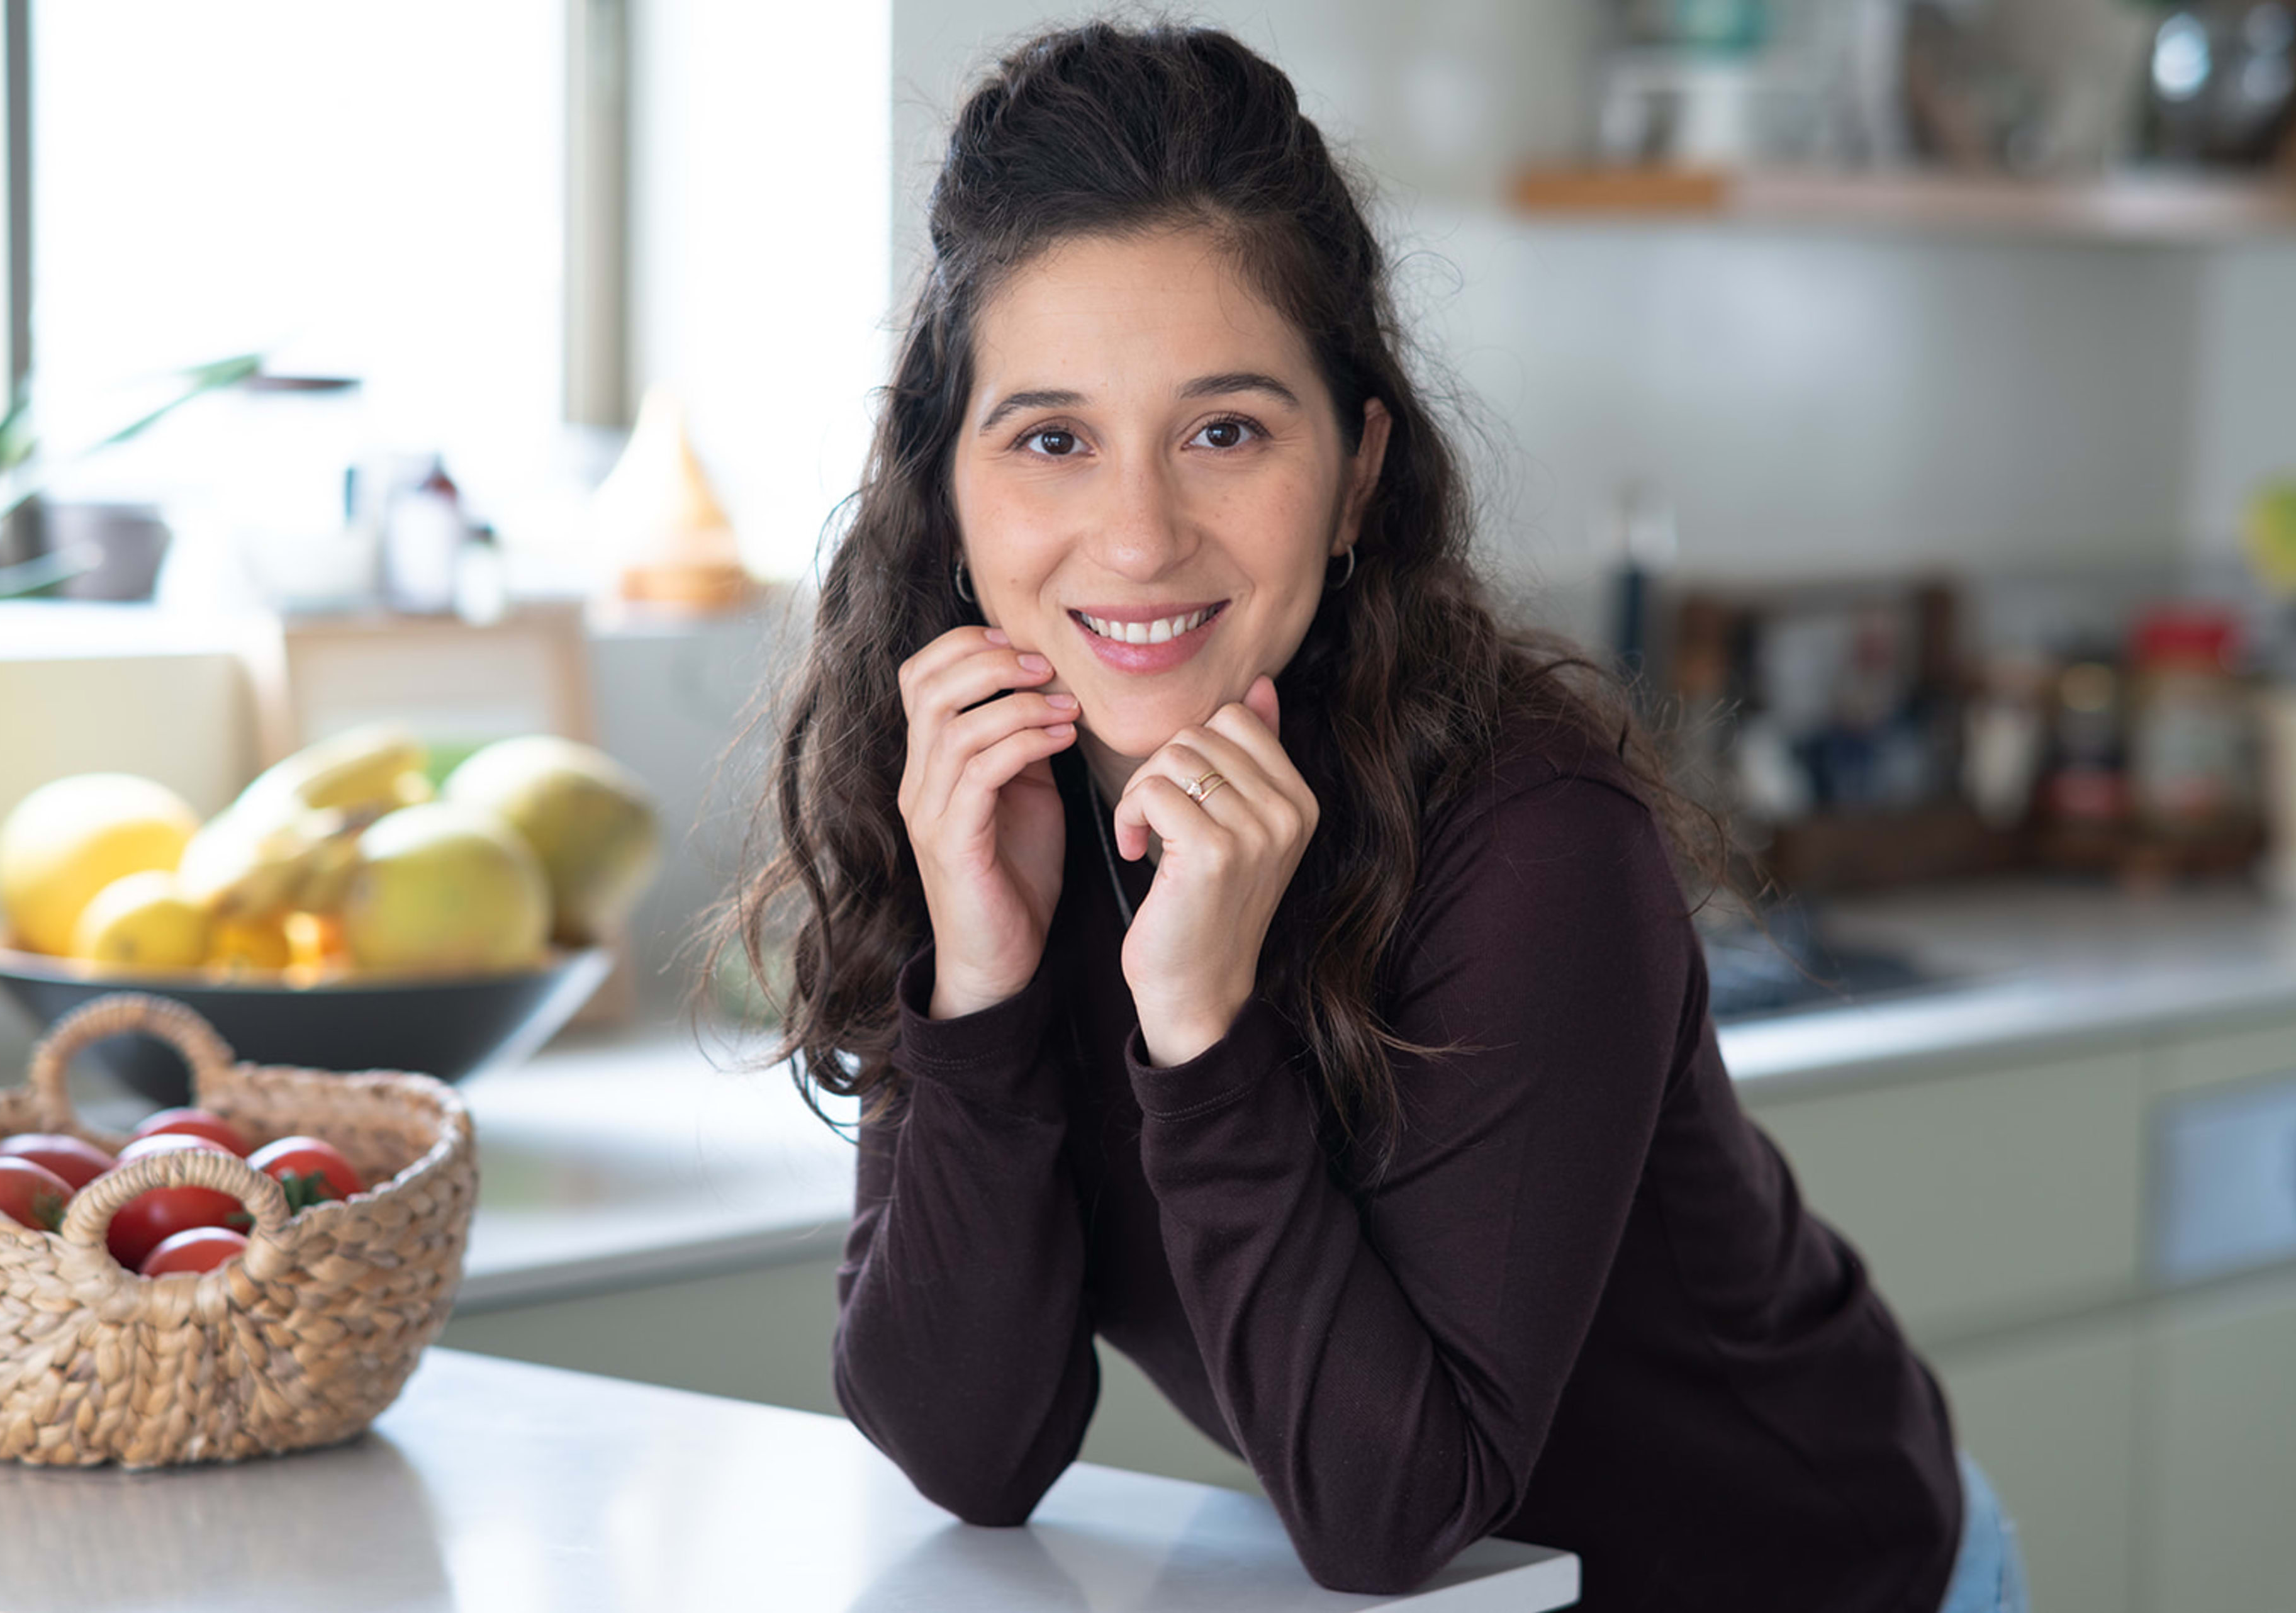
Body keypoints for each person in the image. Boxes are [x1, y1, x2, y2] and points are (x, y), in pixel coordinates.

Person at [720, 21, 2027, 1612]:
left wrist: (1200, 1029)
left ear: (1355, 473)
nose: (1135, 537)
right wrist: (980, 989)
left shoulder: (1538, 842)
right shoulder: (986, 805)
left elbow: (1391, 1511)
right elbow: (973, 1450)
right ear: (950, 491)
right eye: (1051, 439)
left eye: (1227, 431)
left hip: (1816, 1581)